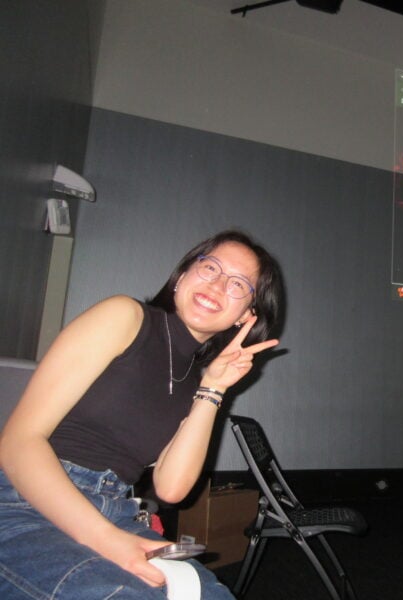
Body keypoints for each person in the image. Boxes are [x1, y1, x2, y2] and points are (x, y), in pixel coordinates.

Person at [0, 230, 282, 599]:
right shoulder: (125, 316)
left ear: (246, 315)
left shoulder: (194, 382)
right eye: (210, 266)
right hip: (22, 501)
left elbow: (171, 489)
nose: (217, 283)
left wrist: (213, 388)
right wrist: (105, 539)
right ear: (182, 276)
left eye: (238, 284)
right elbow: (18, 442)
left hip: (115, 510)